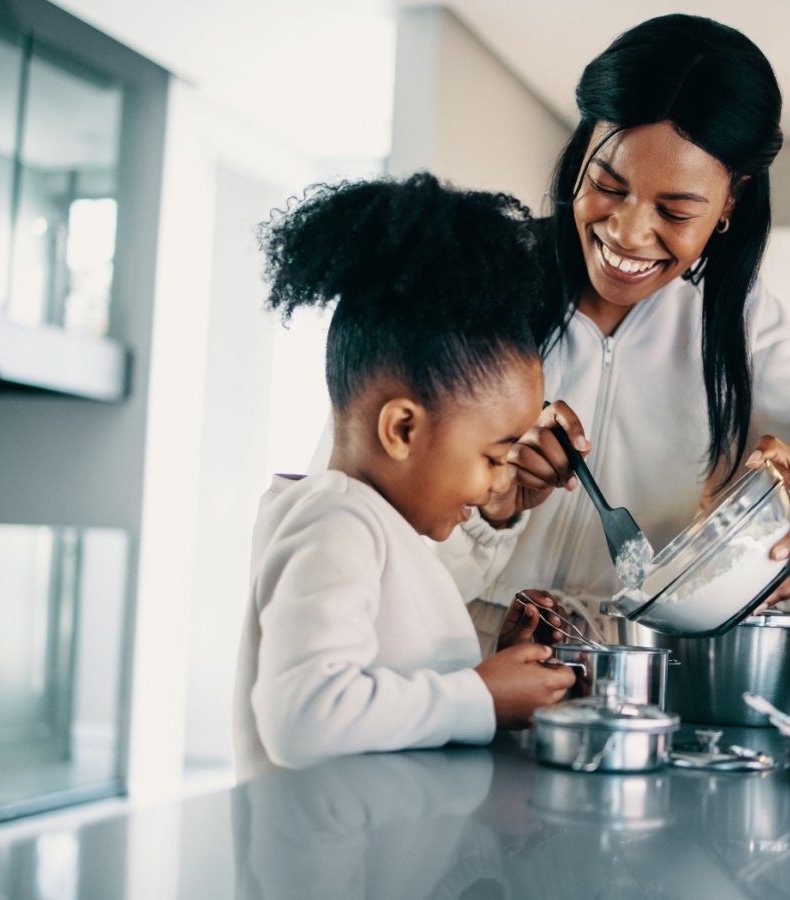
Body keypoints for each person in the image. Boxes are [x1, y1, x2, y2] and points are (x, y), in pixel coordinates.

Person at [434, 14, 790, 652]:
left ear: (730, 201)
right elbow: (368, 522)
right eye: (608, 185)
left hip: (625, 694)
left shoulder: (735, 321)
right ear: (582, 149)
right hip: (454, 677)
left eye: (674, 210)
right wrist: (492, 498)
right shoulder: (474, 287)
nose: (629, 234)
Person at [233, 174, 576, 779]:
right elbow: (305, 718)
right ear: (402, 430)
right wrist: (482, 696)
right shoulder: (333, 525)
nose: (500, 485)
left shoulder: (375, 530)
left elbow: (390, 693)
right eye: (494, 457)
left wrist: (495, 668)